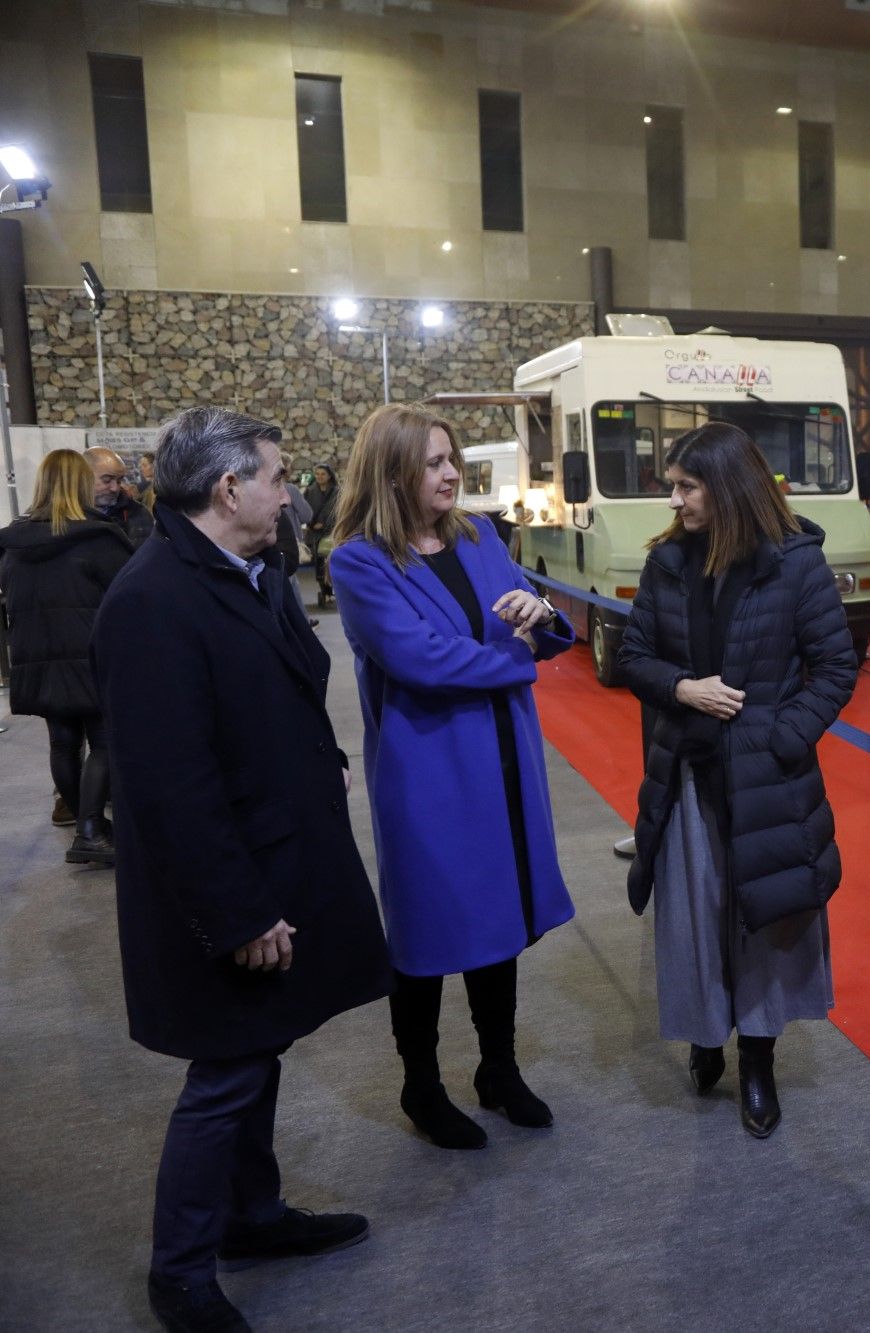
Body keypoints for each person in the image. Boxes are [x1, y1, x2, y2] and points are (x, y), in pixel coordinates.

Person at [93, 408, 392, 1333]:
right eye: (277, 475)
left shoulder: (244, 570)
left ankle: (252, 1217)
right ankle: (180, 1271)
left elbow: (284, 684)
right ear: (228, 488)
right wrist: (237, 913)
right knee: (226, 1069)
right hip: (227, 886)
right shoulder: (151, 600)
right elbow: (169, 787)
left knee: (259, 1049)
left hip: (276, 855)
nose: (290, 490)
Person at [328, 404, 576, 1151]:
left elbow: (533, 619)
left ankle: (497, 1069)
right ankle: (422, 1084)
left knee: (498, 918)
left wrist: (540, 613)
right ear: (393, 471)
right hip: (429, 770)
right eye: (433, 462)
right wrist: (519, 655)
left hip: (502, 754)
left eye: (451, 460)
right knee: (429, 931)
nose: (449, 474)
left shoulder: (480, 536)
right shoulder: (360, 560)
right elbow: (420, 660)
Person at [617, 422, 857, 1138]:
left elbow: (835, 668)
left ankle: (758, 1059)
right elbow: (632, 656)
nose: (676, 498)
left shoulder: (795, 563)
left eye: (687, 486)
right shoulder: (667, 563)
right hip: (686, 774)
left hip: (766, 782)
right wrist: (684, 689)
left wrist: (781, 738)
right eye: (675, 485)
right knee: (694, 915)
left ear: (726, 488)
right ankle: (704, 1031)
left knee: (763, 921)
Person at [0, 449, 134, 865]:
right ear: (80, 484)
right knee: (108, 743)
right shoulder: (99, 539)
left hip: (34, 658)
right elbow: (131, 595)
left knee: (63, 742)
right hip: (90, 656)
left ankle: (85, 823)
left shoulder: (11, 543)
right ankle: (91, 830)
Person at [87, 445, 155, 544]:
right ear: (85, 477)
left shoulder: (139, 514)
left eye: (119, 481)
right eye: (107, 480)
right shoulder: (63, 515)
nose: (115, 488)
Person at [301, 464, 338, 608]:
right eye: (317, 474)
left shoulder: (337, 492)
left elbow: (340, 511)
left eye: (322, 474)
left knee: (332, 563)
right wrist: (311, 524)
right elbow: (304, 510)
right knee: (319, 565)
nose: (319, 477)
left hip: (332, 533)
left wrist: (325, 524)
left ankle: (332, 591)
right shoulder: (309, 492)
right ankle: (325, 592)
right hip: (315, 534)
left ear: (329, 475)